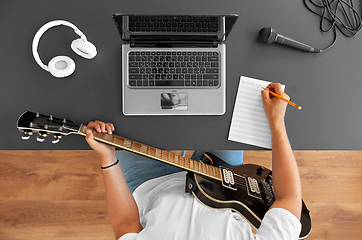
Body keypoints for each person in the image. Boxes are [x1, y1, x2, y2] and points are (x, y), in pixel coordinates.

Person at [85, 82, 302, 240]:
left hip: (151, 182)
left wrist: (108, 158)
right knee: (232, 96)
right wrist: (276, 122)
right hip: (222, 180)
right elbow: (289, 197)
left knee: (118, 103)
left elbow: (126, 224)